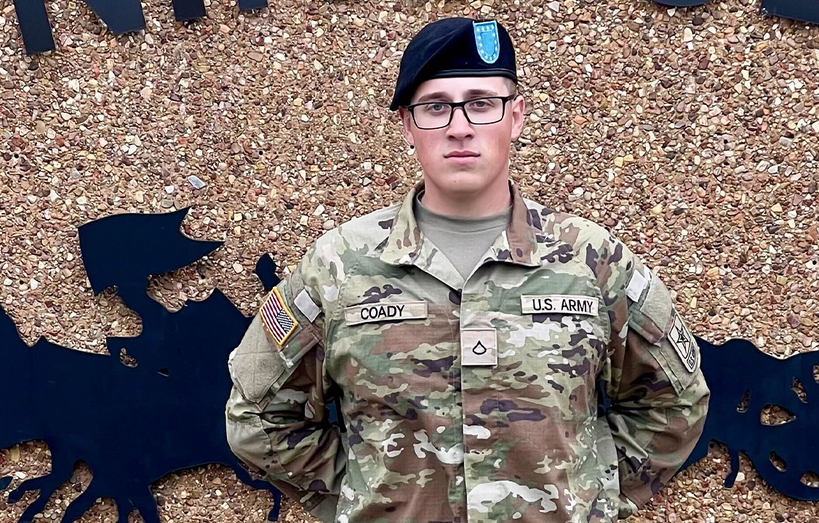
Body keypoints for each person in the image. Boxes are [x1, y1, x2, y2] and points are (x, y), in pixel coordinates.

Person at [225, 16, 710, 523]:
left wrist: (592, 494)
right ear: (408, 125)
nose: (459, 127)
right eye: (435, 107)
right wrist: (360, 498)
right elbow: (259, 417)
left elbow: (675, 402)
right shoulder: (339, 265)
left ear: (516, 116)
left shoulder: (592, 259)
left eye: (481, 103)